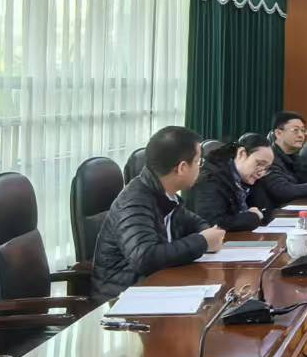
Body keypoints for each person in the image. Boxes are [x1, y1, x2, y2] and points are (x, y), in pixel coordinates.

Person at [91, 125, 224, 300]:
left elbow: (196, 222)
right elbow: (145, 258)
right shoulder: (135, 201)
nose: (200, 167)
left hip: (155, 287)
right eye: (199, 162)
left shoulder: (165, 195)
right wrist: (202, 242)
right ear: (182, 168)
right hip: (123, 298)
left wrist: (206, 234)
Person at [193, 133, 274, 229]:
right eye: (259, 164)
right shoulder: (211, 178)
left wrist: (257, 214)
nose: (261, 173)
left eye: (266, 168)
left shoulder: (248, 179)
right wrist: (253, 217)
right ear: (241, 154)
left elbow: (265, 211)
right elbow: (214, 223)